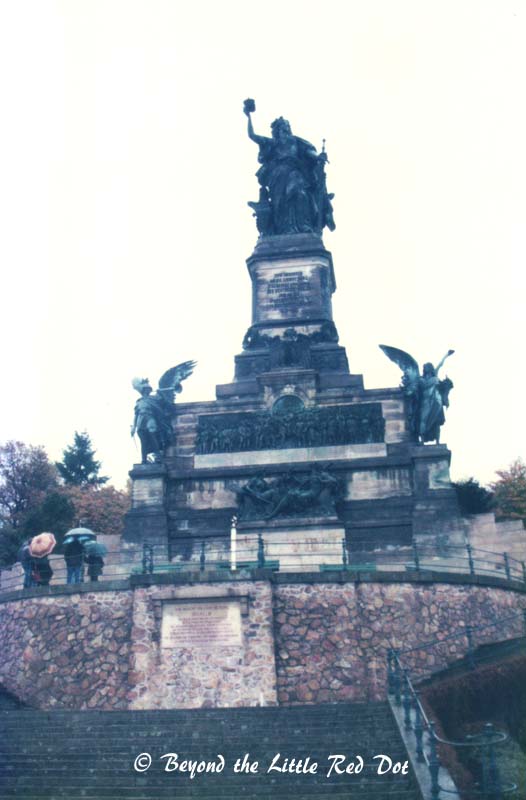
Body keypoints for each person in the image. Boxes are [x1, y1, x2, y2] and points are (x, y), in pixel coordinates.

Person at [245, 103, 335, 236]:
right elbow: (252, 135)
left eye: (286, 126)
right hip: (277, 176)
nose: (285, 129)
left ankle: (302, 225)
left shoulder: (295, 141)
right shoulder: (272, 143)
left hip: (295, 172)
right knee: (279, 203)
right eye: (282, 127)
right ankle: (284, 229)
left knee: (299, 193)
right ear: (277, 130)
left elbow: (308, 152)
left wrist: (318, 157)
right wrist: (248, 116)